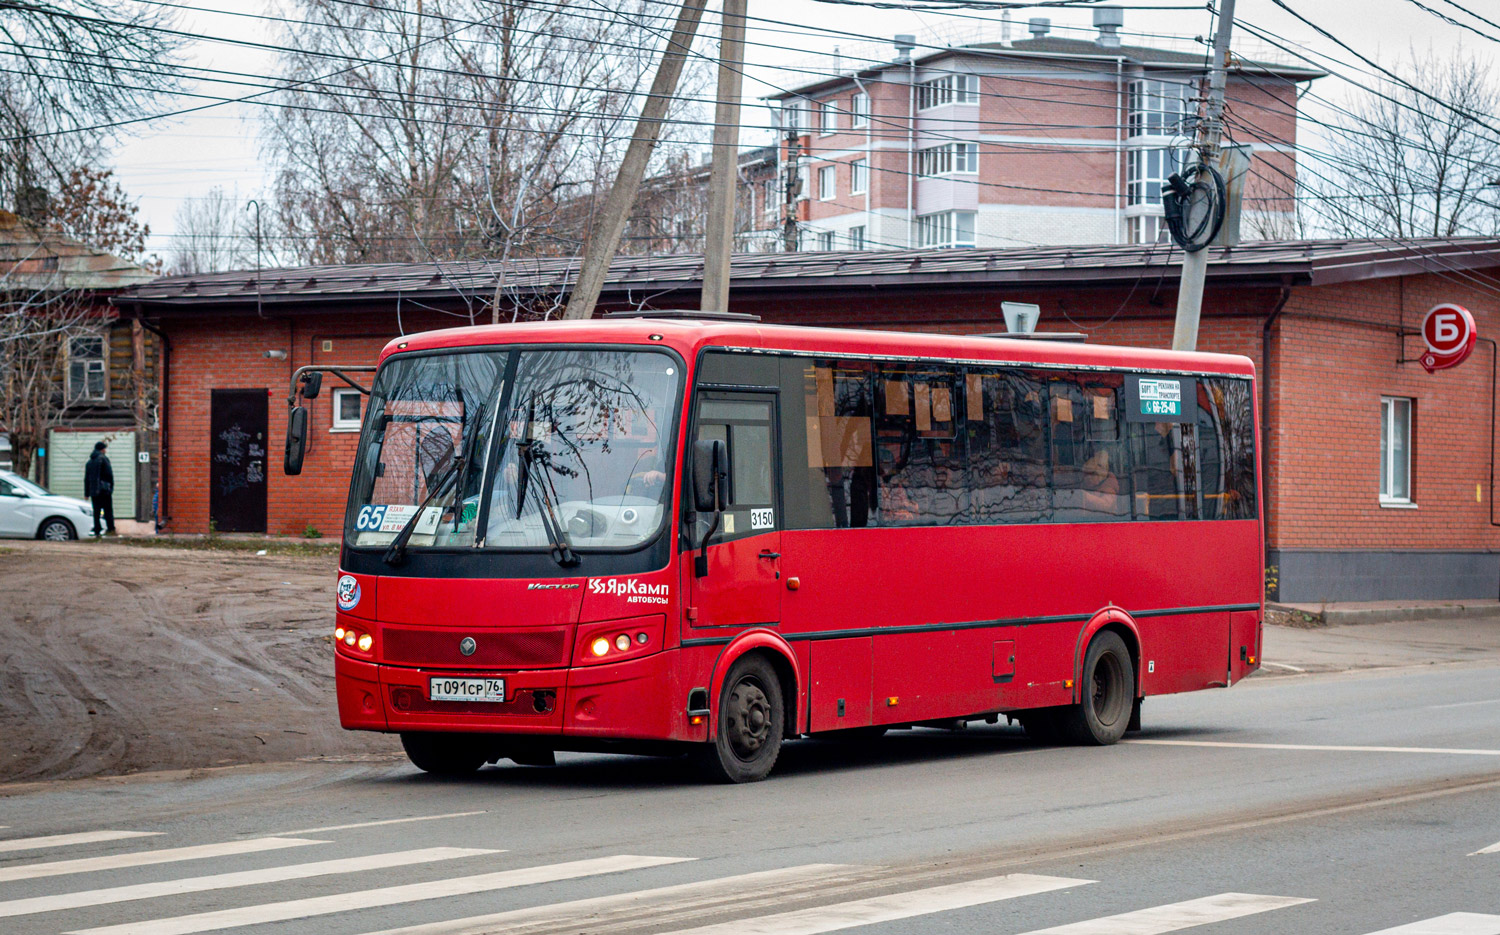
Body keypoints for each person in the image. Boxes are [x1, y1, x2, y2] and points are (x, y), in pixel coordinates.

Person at [84, 440, 116, 536]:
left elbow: (86, 479)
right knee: (108, 510)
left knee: (96, 511)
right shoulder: (104, 459)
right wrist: (111, 488)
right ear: (102, 449)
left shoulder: (89, 462)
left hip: (94, 491)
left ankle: (97, 529)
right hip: (104, 490)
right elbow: (109, 475)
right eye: (104, 449)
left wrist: (86, 493)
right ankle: (110, 529)